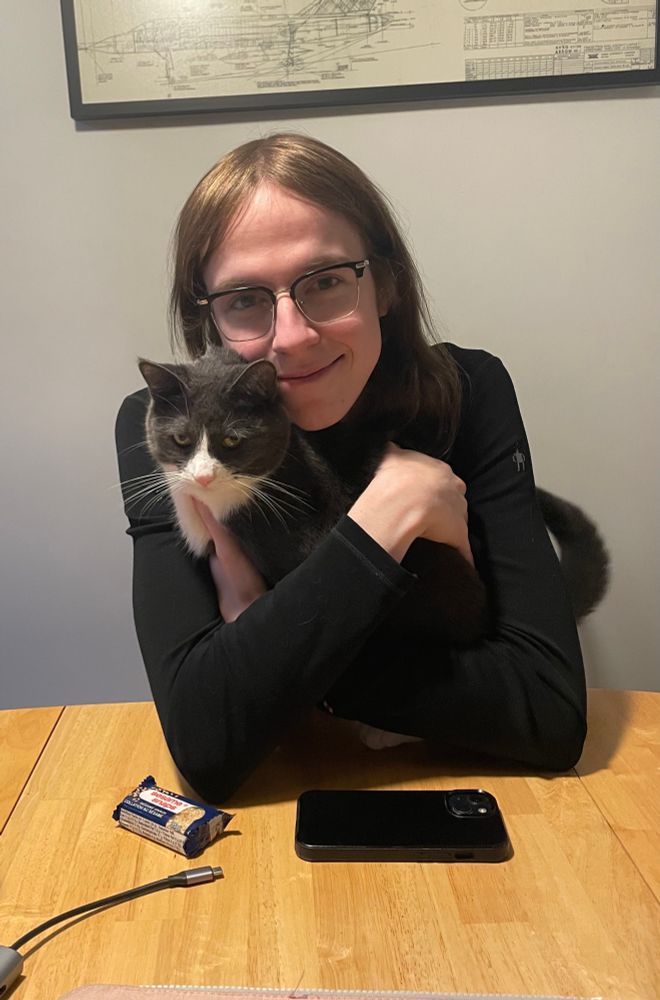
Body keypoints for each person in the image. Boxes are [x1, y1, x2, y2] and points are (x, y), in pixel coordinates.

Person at [115, 133, 586, 804]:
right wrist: (381, 522)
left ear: (386, 283)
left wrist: (262, 636)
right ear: (208, 316)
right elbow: (205, 741)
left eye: (327, 281)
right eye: (245, 298)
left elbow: (548, 713)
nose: (292, 337)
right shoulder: (166, 423)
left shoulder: (467, 389)